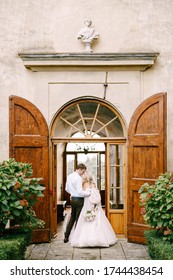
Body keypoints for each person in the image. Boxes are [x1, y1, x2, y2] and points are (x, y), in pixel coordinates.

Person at [70, 173, 117, 247]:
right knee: (96, 219)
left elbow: (80, 193)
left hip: (88, 203)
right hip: (94, 204)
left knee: (87, 218)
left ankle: (86, 239)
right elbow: (96, 196)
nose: (82, 176)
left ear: (86, 178)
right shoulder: (94, 185)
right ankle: (101, 238)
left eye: (84, 175)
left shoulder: (84, 184)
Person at [64, 163, 90, 243]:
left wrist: (72, 193)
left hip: (72, 199)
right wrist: (88, 193)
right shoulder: (78, 178)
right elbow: (79, 192)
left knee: (72, 218)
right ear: (80, 169)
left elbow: (66, 189)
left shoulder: (69, 176)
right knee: (78, 219)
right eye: (83, 171)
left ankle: (66, 237)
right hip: (79, 200)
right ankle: (76, 238)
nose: (83, 173)